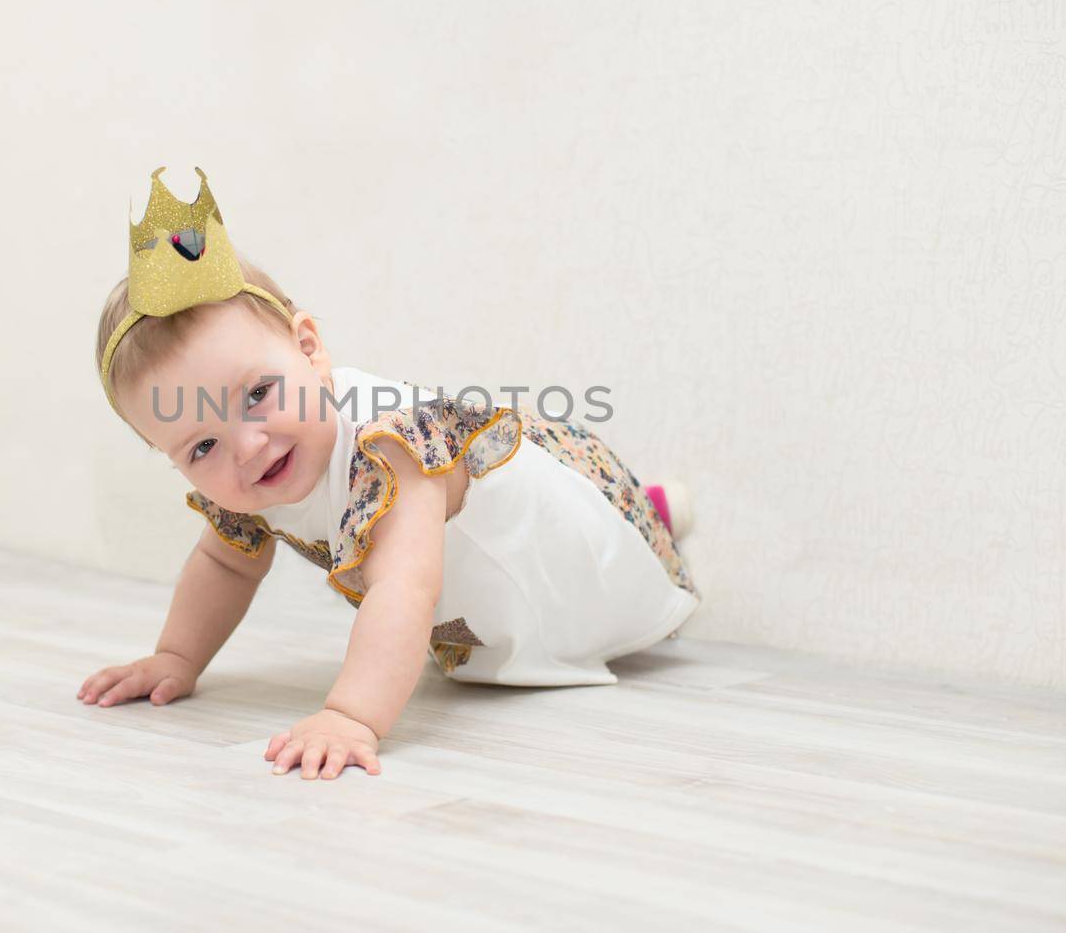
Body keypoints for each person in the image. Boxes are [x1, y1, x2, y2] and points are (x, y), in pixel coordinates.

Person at [78, 166, 699, 781]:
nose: (247, 446)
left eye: (258, 394)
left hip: (543, 540)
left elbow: (402, 588)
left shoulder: (391, 446)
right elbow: (225, 564)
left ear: (309, 349)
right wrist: (176, 657)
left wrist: (351, 716)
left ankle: (644, 517)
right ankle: (651, 508)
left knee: (589, 548)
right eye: (202, 444)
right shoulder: (246, 478)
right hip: (470, 578)